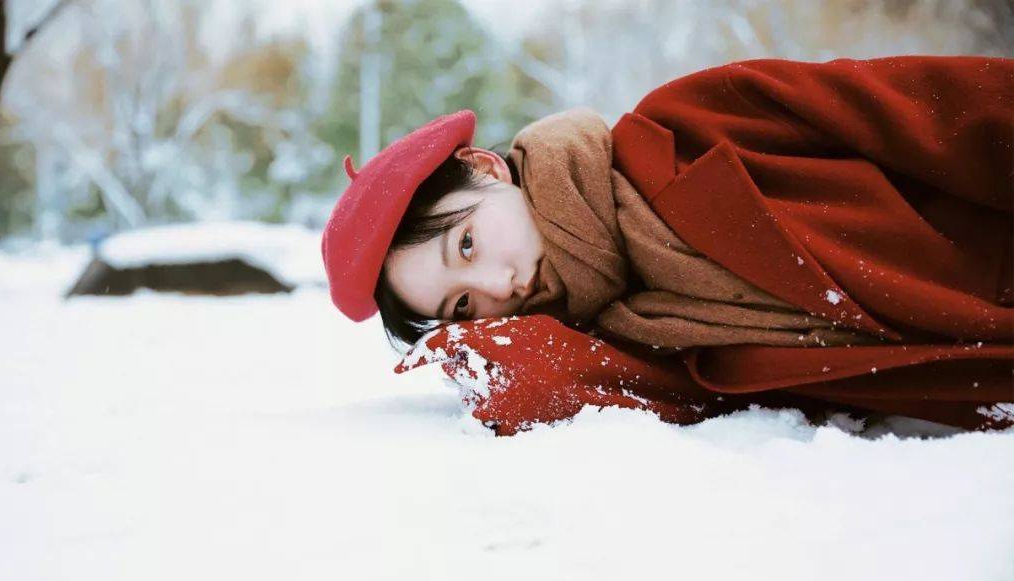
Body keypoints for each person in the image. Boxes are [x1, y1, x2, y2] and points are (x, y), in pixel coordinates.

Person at [322, 54, 1014, 435]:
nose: (499, 290)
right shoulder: (624, 336)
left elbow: (927, 111)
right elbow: (564, 385)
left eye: (467, 244)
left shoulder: (684, 127)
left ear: (485, 168)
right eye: (464, 304)